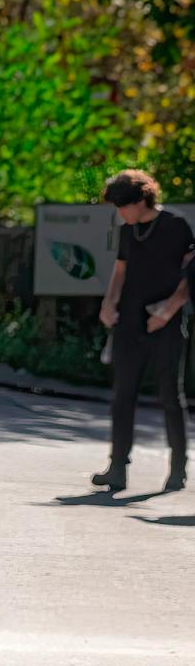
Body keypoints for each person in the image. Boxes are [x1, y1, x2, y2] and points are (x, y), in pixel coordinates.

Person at [94, 168, 190, 493]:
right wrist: (109, 303)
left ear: (140, 200)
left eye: (123, 206)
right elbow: (119, 271)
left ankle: (178, 469)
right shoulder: (126, 231)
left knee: (170, 397)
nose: (120, 213)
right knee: (122, 397)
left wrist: (168, 310)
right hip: (129, 323)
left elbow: (191, 277)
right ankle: (117, 468)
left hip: (166, 322)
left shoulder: (176, 226)